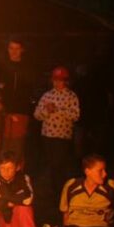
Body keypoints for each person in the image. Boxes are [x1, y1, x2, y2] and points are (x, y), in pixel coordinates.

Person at [34, 65, 80, 202]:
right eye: (55, 80)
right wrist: (46, 111)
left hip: (63, 136)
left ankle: (62, 191)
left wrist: (58, 109)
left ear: (66, 81)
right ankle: (55, 191)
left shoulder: (71, 96)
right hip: (48, 135)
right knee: (52, 164)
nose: (58, 83)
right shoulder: (47, 95)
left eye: (60, 80)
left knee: (60, 164)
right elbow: (37, 115)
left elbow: (75, 116)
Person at [0, 37, 34, 167]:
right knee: (4, 145)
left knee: (17, 146)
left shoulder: (27, 68)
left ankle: (17, 176)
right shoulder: (2, 67)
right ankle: (3, 175)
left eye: (17, 48)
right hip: (3, 114)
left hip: (20, 113)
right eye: (11, 48)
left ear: (22, 50)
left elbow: (30, 90)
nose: (13, 51)